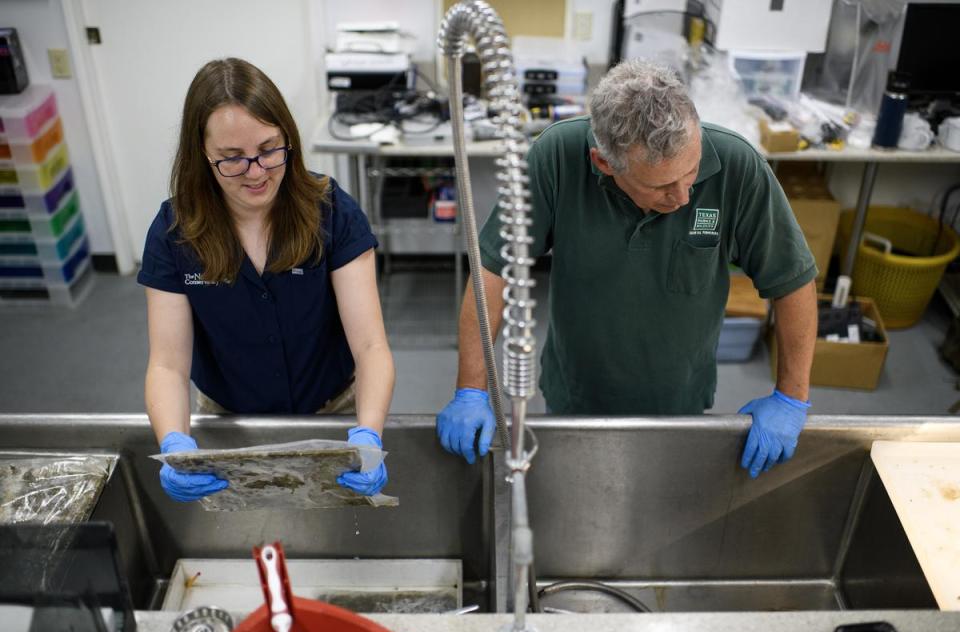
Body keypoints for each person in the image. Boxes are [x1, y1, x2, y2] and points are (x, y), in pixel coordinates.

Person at [437, 59, 817, 478]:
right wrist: (471, 388)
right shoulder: (556, 157)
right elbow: (494, 269)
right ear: (604, 163)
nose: (683, 196)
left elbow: (792, 278)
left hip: (680, 397)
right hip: (575, 393)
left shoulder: (736, 164)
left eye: (691, 173)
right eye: (661, 185)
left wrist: (791, 397)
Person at [138, 58, 394, 502]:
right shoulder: (173, 232)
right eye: (232, 159)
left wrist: (367, 434)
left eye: (269, 149)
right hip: (229, 420)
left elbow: (371, 347)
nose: (256, 172)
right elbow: (167, 365)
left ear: (287, 138)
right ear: (203, 154)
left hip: (334, 412)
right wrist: (174, 443)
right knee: (248, 542)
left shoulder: (332, 212)